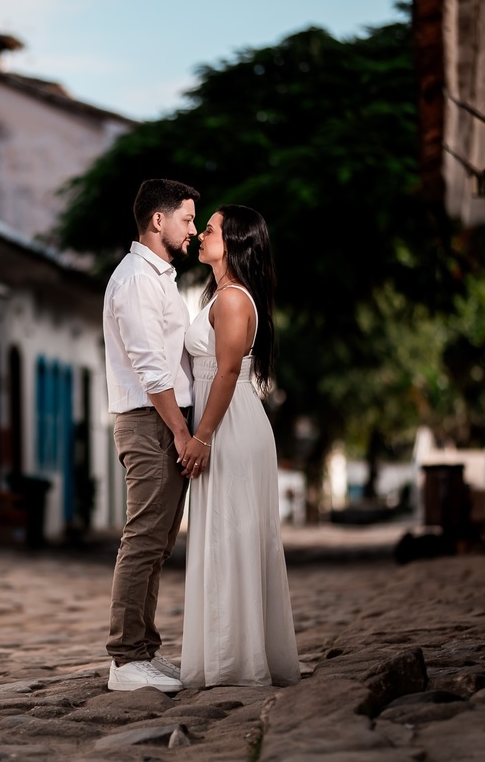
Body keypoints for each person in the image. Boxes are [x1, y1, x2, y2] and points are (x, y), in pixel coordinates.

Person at [177, 204, 301, 688]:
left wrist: (202, 435)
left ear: (233, 242)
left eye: (209, 229)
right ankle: (227, 653)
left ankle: (236, 661)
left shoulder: (232, 300)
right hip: (222, 418)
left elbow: (227, 371)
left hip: (228, 424)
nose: (201, 234)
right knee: (222, 537)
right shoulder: (222, 294)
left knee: (232, 537)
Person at [103, 178, 199, 693]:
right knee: (142, 540)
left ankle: (143, 651)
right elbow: (151, 369)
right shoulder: (137, 280)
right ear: (157, 221)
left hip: (162, 419)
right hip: (150, 422)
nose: (194, 230)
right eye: (186, 219)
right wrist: (182, 432)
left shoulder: (159, 277)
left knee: (158, 543)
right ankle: (124, 660)